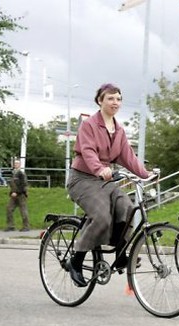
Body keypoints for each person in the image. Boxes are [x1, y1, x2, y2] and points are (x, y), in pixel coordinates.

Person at [66, 83, 157, 287]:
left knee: (127, 209)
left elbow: (128, 157)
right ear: (100, 101)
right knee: (101, 217)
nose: (115, 102)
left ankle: (120, 253)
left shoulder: (119, 130)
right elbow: (88, 151)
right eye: (110, 98)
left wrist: (146, 174)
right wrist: (99, 169)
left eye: (118, 98)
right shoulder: (89, 124)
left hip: (105, 180)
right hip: (83, 178)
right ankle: (76, 261)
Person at [5, 160, 30, 232]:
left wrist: (17, 192)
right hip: (13, 195)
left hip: (21, 195)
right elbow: (12, 185)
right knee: (9, 208)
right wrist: (11, 193)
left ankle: (26, 226)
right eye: (15, 163)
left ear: (20, 165)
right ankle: (10, 226)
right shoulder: (13, 173)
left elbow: (24, 184)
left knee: (23, 211)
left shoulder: (21, 174)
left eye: (17, 163)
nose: (16, 165)